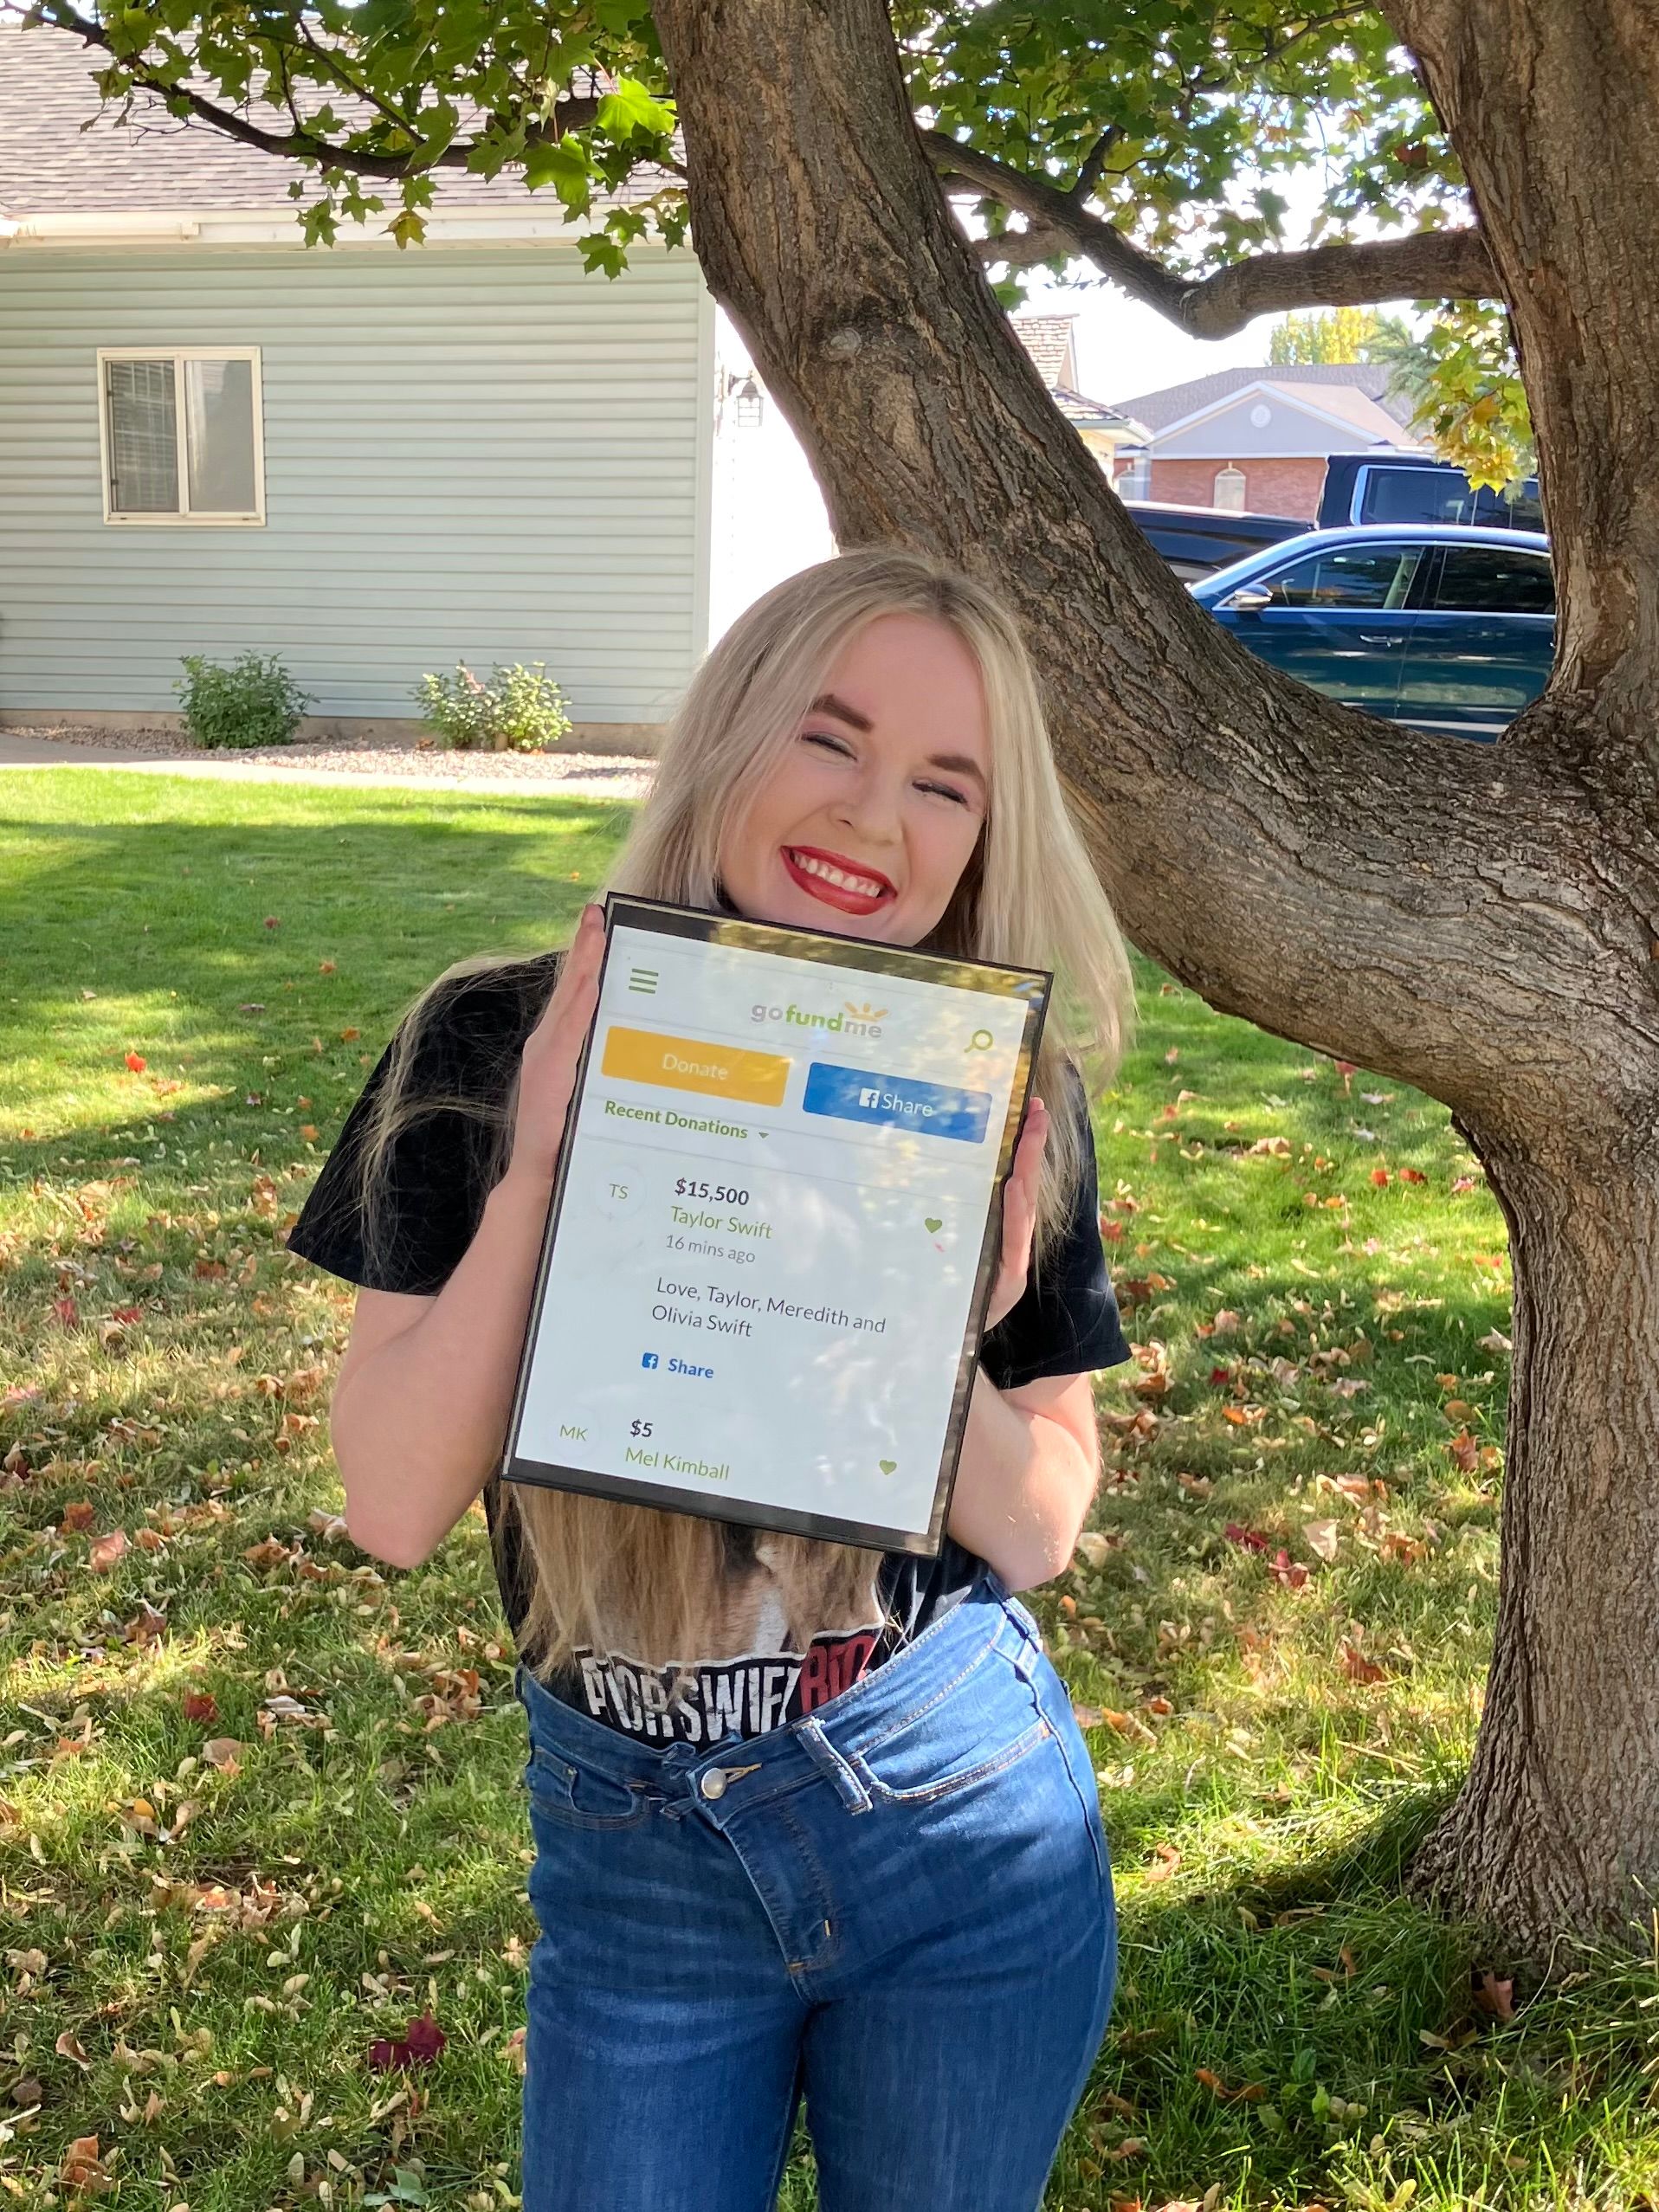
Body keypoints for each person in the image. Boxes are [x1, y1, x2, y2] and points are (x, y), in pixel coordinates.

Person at [287, 547, 1138, 2212]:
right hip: (634, 1848)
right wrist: (542, 1175)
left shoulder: (992, 1095)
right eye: (830, 739)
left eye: (945, 784)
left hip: (950, 1808)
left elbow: (1035, 1529)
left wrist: (940, 1330)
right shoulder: (485, 1045)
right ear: (731, 738)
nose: (878, 818)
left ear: (984, 833)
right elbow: (389, 1503)